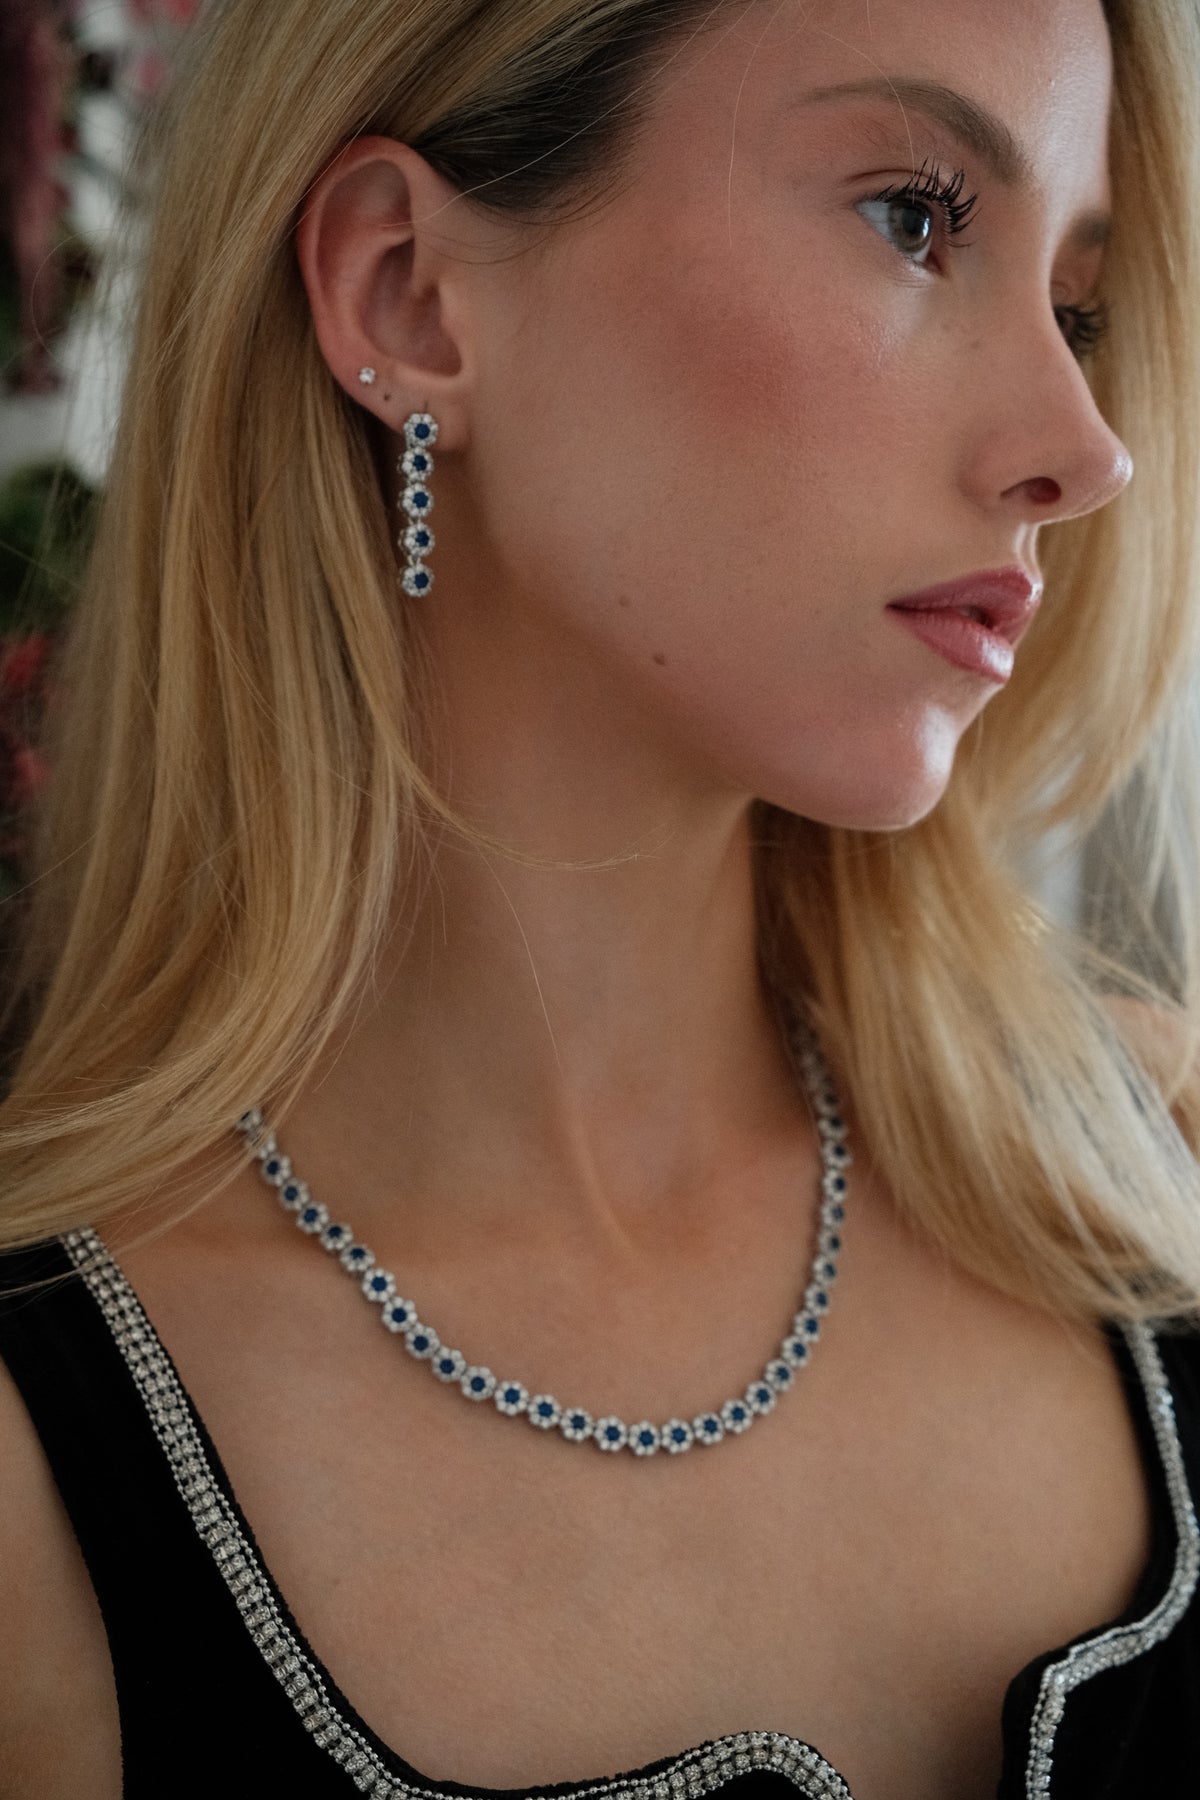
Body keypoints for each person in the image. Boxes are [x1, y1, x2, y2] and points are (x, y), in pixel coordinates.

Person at [2, 0, 1200, 1794]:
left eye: (1078, 306)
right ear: (409, 294)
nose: (1083, 446)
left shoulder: (1157, 1172)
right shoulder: (37, 1495)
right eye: (916, 217)